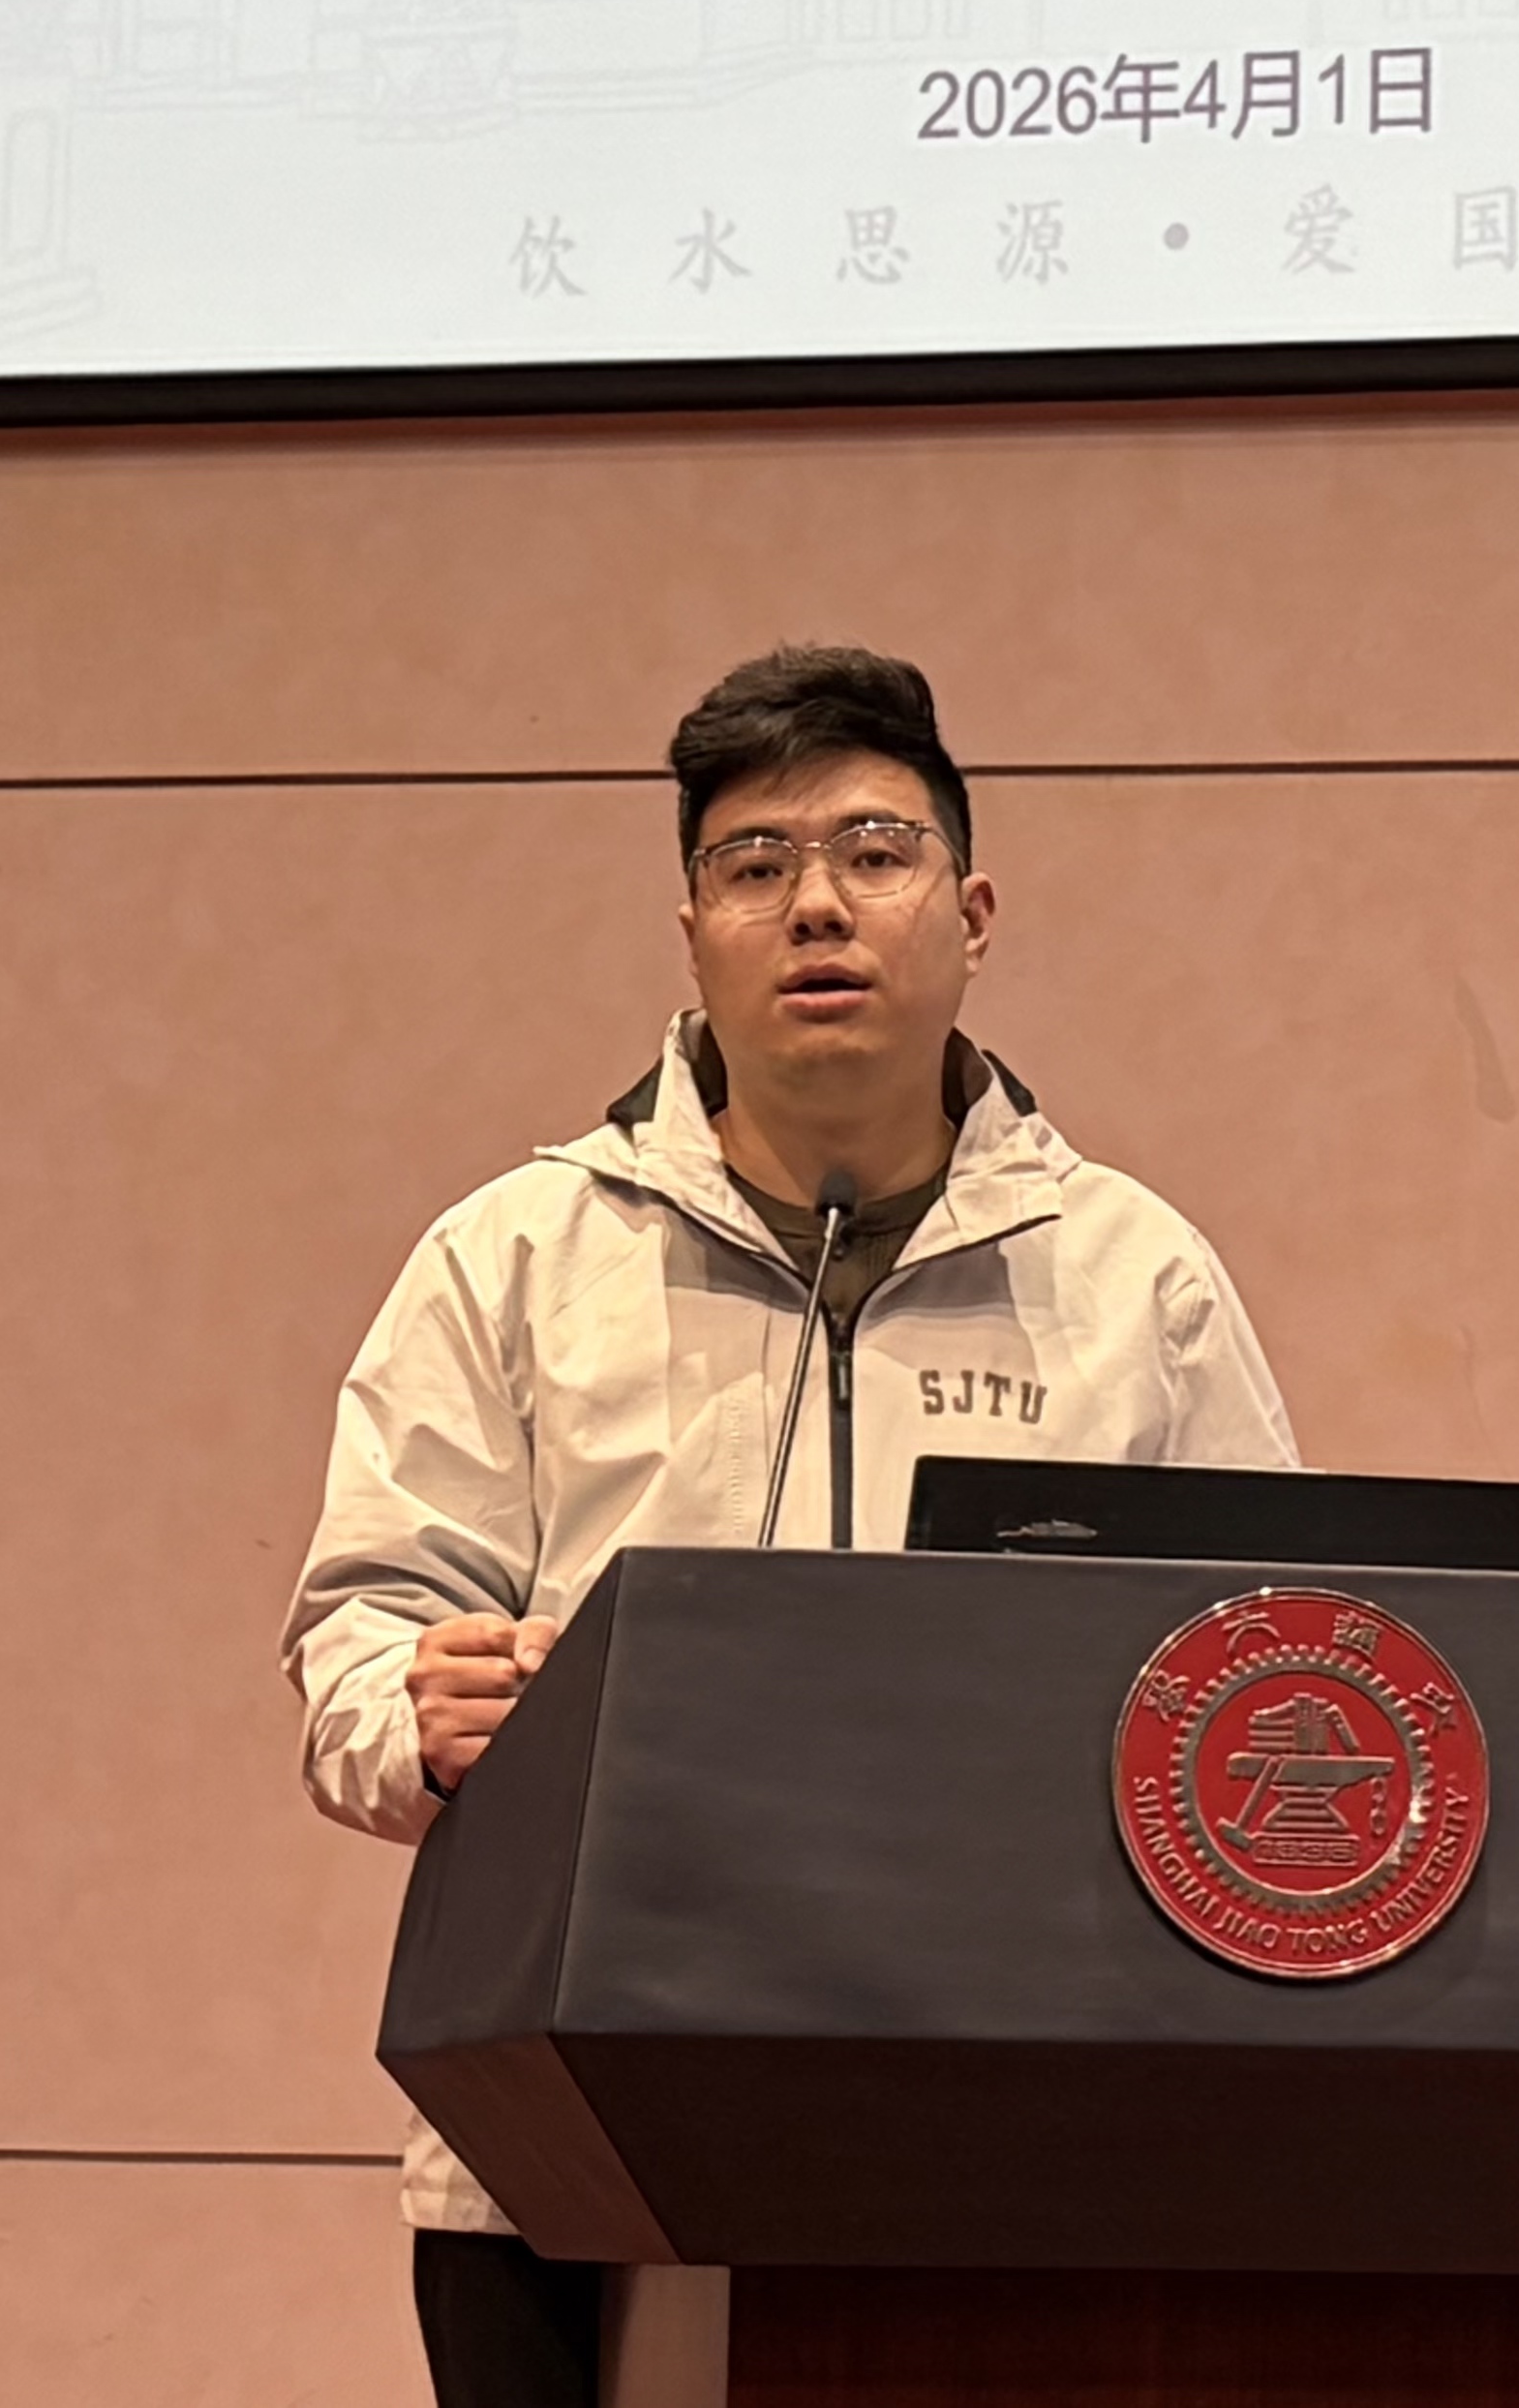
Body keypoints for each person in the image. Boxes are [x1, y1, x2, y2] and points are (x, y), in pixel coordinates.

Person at [281, 643, 1299, 2408]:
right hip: (572, 2139)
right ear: (692, 933)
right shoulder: (516, 1257)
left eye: (873, 853)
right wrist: (413, 1714)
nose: (815, 904)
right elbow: (359, 1635)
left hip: (1018, 2123)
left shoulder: (1134, 1277)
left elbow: (1271, 1660)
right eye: (754, 866)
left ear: (971, 912)